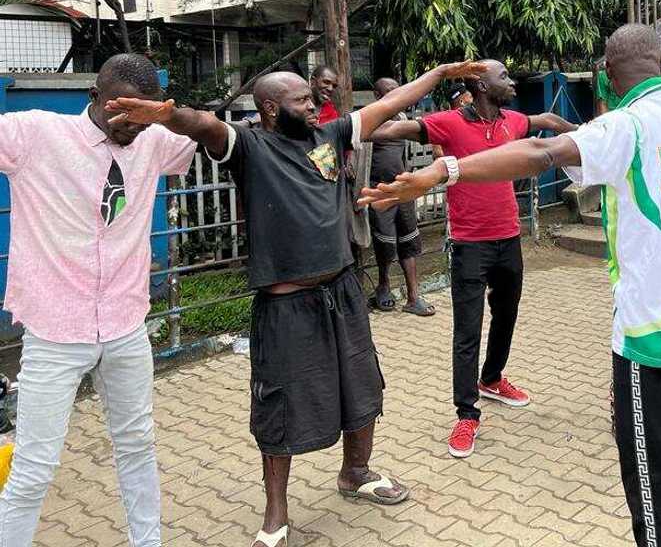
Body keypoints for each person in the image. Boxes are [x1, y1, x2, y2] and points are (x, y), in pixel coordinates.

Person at [360, 24, 661, 547]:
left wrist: (443, 172)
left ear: (608, 74)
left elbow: (542, 153)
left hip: (652, 337)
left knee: (654, 480)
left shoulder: (625, 126)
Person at [105, 60, 483, 547]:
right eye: (301, 99)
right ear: (269, 108)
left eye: (310, 98)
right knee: (279, 405)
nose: (311, 104)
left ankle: (356, 472)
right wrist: (166, 115)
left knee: (361, 386)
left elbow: (392, 103)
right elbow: (204, 125)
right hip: (286, 306)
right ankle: (276, 514)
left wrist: (439, 75)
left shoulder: (329, 135)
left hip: (343, 292)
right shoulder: (249, 146)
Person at [0, 54, 197, 547]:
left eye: (144, 112)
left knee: (138, 445)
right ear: (95, 97)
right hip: (55, 332)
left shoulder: (154, 140)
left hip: (126, 327)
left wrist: (167, 116)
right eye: (122, 110)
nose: (132, 123)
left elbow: (211, 134)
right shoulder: (35, 134)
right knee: (34, 468)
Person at [366, 60, 577, 459]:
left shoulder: (513, 121)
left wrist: (588, 133)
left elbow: (549, 120)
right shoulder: (448, 122)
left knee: (506, 315)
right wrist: (350, 128)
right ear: (481, 85)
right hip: (469, 245)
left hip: (509, 239)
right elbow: (393, 129)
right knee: (467, 332)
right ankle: (466, 414)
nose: (511, 82)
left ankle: (492, 379)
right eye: (504, 77)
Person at [367, 77, 432, 317]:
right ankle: (383, 286)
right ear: (377, 95)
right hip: (380, 190)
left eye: (398, 91)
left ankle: (413, 296)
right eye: (389, 92)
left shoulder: (403, 119)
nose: (395, 95)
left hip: (403, 189)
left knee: (409, 240)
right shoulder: (370, 119)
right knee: (385, 243)